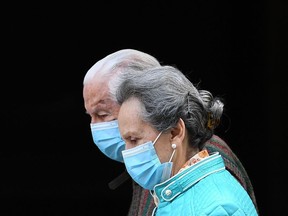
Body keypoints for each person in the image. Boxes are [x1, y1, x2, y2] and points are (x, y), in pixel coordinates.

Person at [82, 49, 258, 215]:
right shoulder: (168, 185)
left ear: (175, 131)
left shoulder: (217, 208)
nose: (128, 152)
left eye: (134, 139)